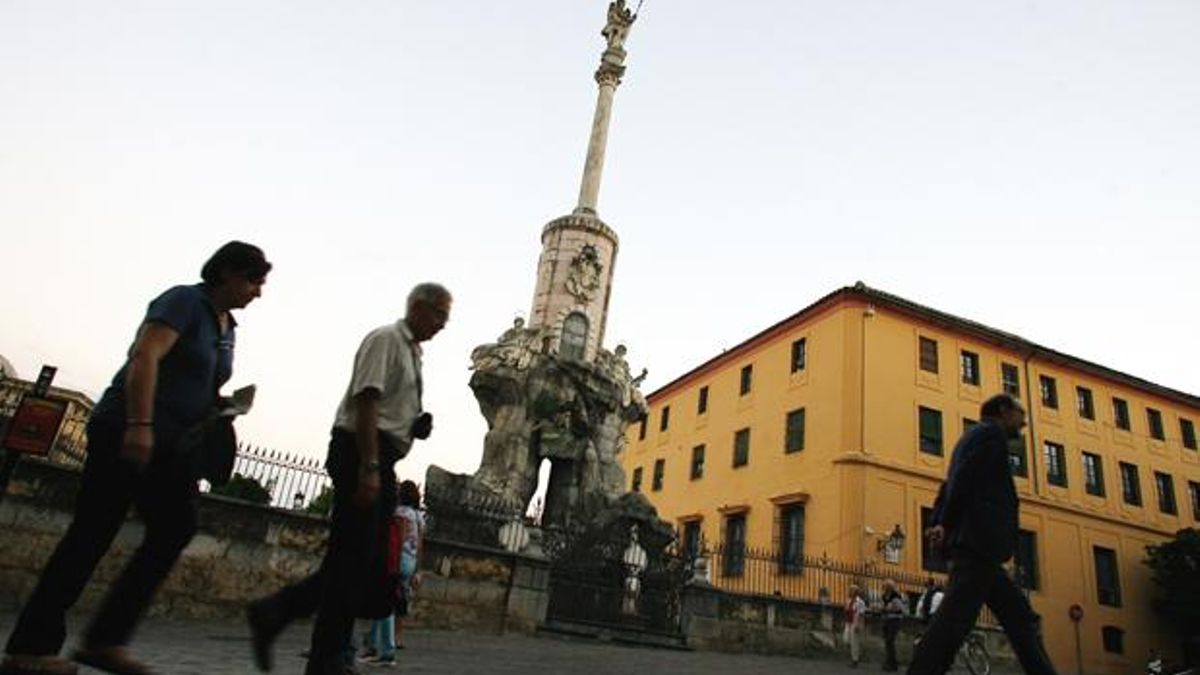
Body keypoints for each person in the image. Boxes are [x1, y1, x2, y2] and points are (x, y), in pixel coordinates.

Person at [1, 242, 271, 675]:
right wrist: (139, 425)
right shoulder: (185, 300)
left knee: (176, 527)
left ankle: (105, 639)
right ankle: (30, 648)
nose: (258, 292)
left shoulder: (227, 330)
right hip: (127, 430)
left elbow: (194, 381)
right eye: (253, 280)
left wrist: (220, 405)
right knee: (92, 532)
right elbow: (145, 356)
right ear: (227, 273)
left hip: (172, 444)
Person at [247, 283, 452, 675]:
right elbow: (367, 399)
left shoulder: (413, 353)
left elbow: (387, 407)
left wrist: (414, 426)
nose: (443, 323)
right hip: (361, 451)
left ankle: (282, 618)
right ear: (418, 307)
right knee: (352, 559)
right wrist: (369, 466)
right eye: (440, 313)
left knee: (359, 562)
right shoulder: (386, 340)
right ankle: (325, 651)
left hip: (382, 455)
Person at [908, 393, 1059, 675]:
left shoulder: (968, 438)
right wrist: (946, 522)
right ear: (1003, 410)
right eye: (1019, 413)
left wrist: (940, 520)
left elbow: (950, 484)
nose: (1024, 422)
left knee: (1020, 618)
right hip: (978, 545)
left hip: (980, 549)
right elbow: (964, 478)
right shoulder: (991, 436)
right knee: (953, 622)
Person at [361, 480, 425, 666]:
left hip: (397, 559)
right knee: (390, 600)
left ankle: (386, 652)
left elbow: (400, 538)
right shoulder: (418, 516)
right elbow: (420, 544)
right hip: (410, 561)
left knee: (385, 601)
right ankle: (372, 645)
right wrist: (417, 569)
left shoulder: (399, 513)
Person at [881, 580, 906, 671]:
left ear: (889, 588)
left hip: (894, 620)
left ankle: (892, 663)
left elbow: (902, 610)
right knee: (887, 642)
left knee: (890, 641)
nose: (883, 589)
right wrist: (883, 608)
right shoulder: (884, 596)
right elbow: (884, 607)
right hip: (886, 620)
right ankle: (890, 662)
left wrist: (890, 609)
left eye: (885, 587)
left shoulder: (896, 597)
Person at [843, 585, 868, 667]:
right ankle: (854, 656)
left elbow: (861, 614)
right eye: (850, 590)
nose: (850, 591)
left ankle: (855, 660)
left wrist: (859, 625)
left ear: (856, 592)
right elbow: (846, 610)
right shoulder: (848, 600)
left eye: (852, 590)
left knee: (854, 642)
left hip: (855, 623)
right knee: (846, 639)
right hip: (848, 622)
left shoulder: (860, 602)